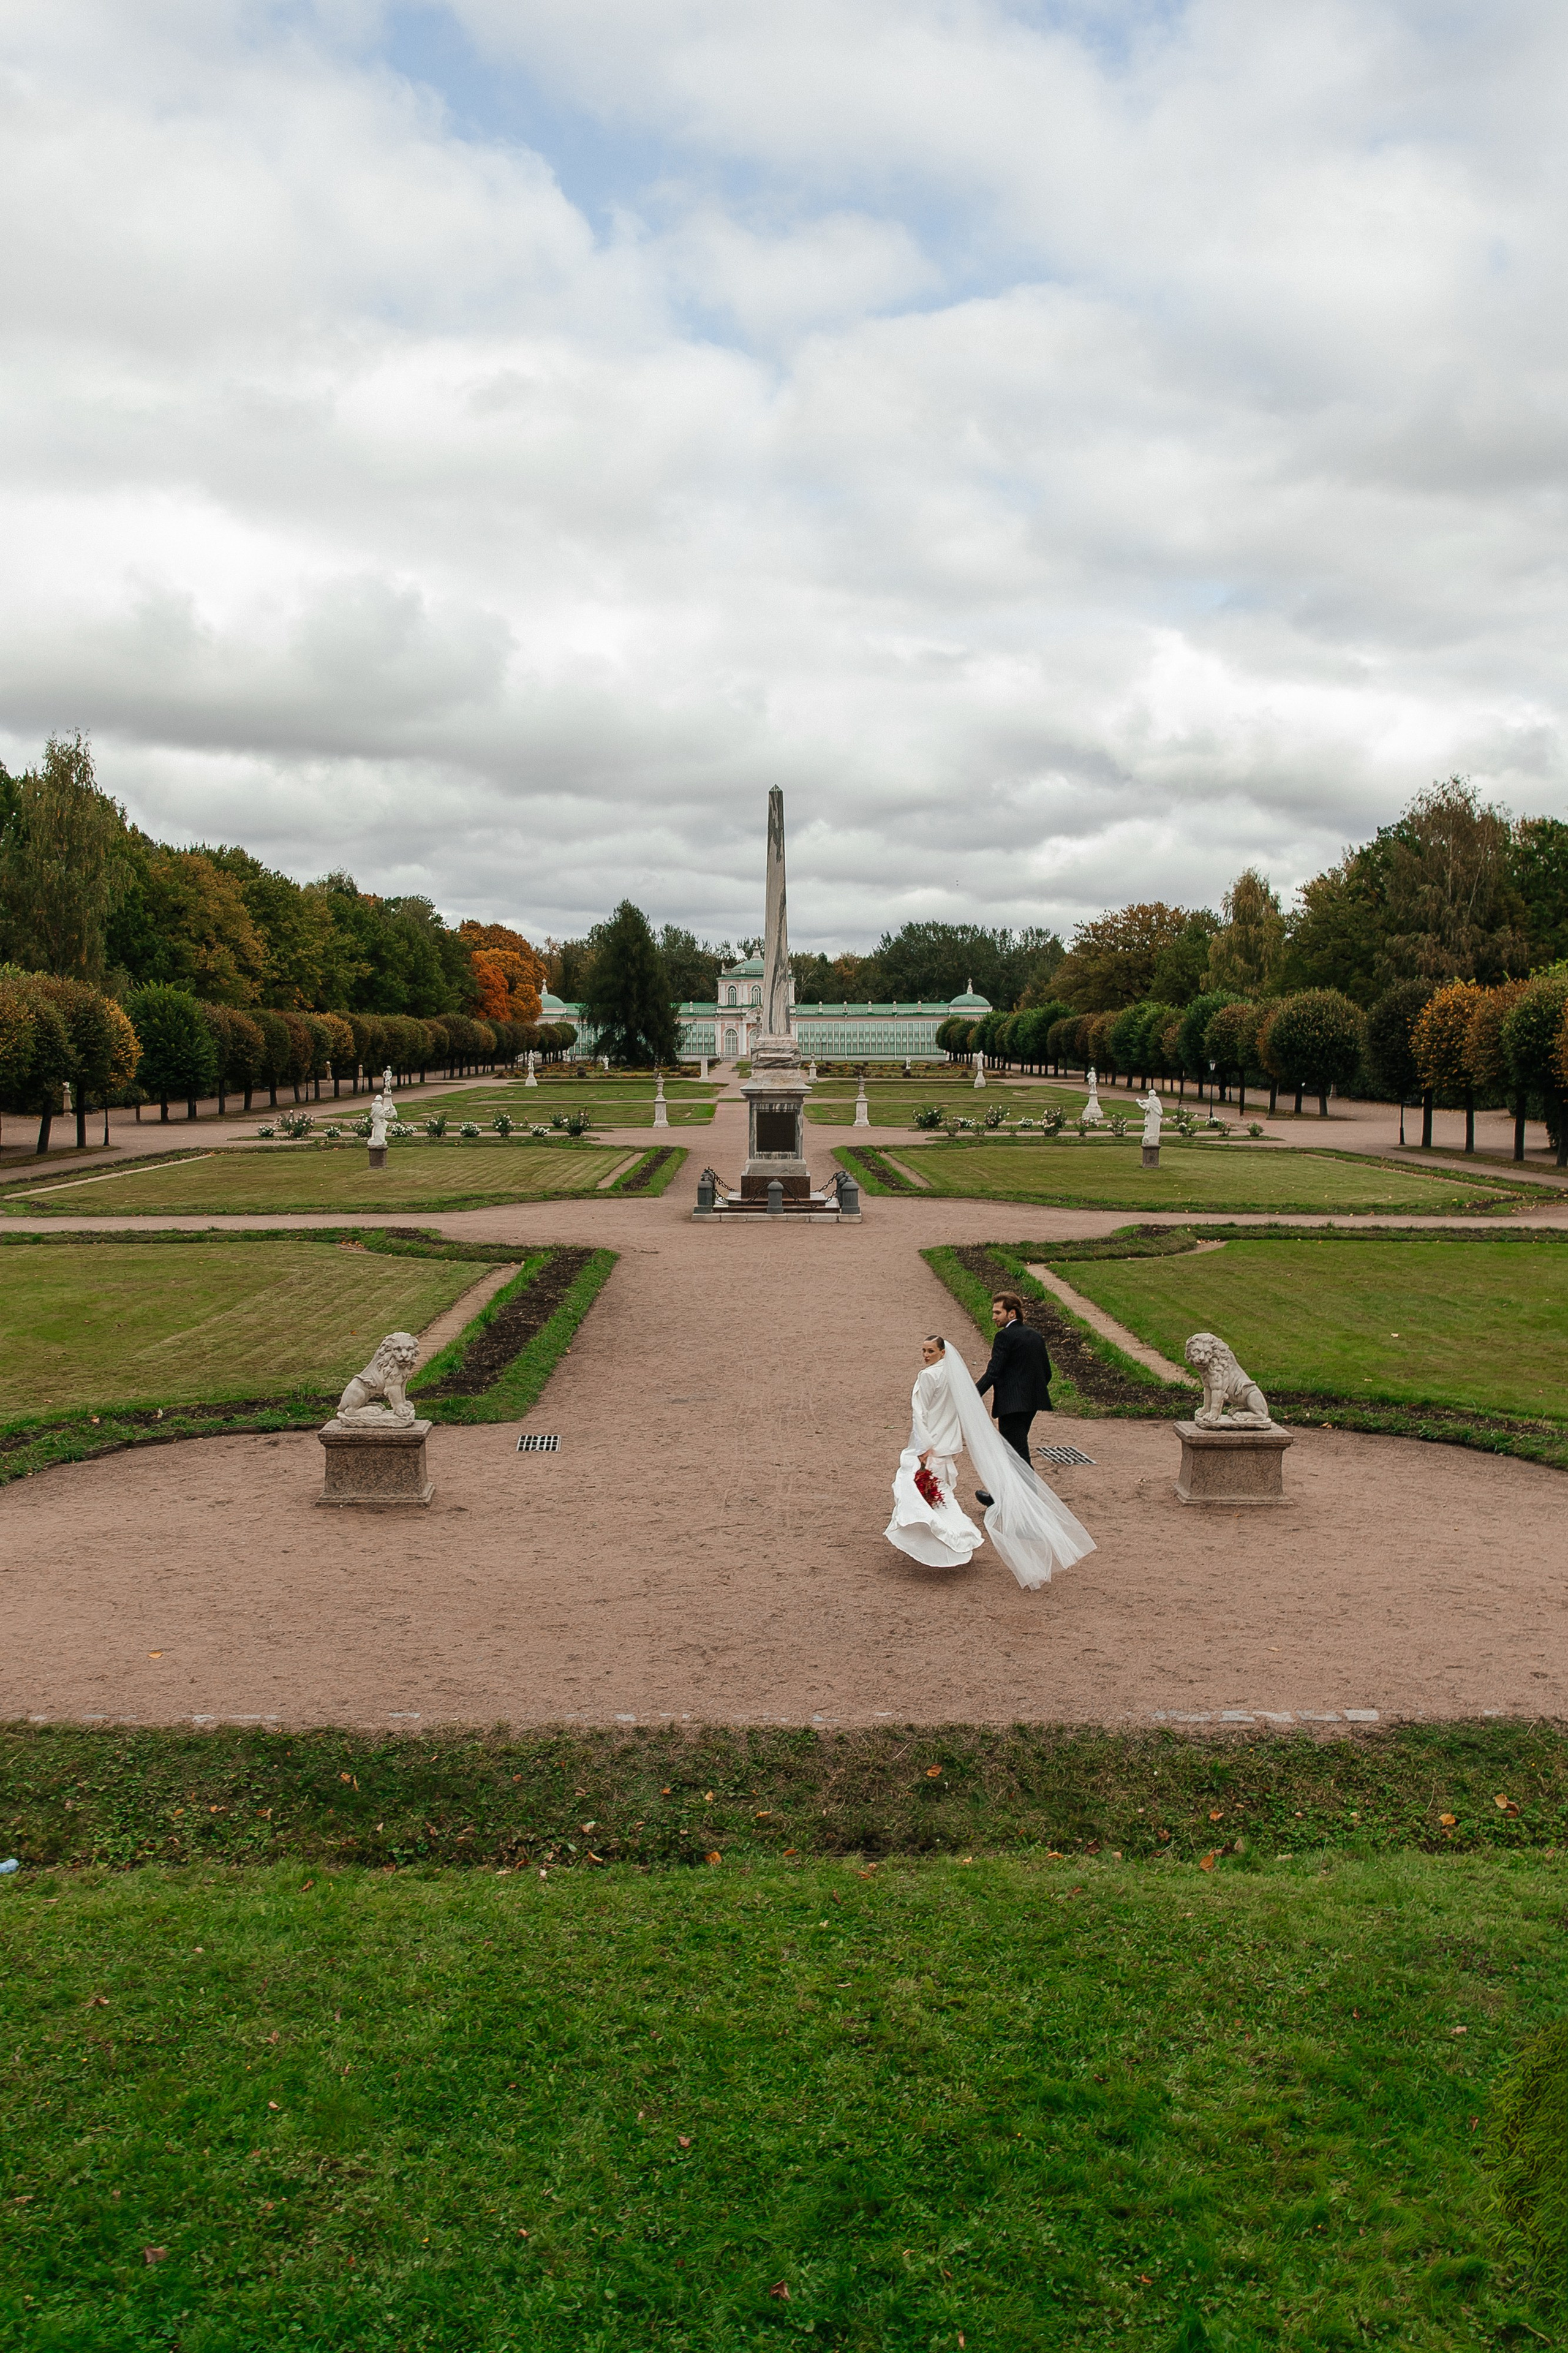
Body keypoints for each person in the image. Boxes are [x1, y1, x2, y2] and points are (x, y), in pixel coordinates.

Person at [884, 1333, 1093, 1592]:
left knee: (920, 1492)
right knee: (939, 1495)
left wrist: (924, 1446)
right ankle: (948, 1537)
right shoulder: (954, 1377)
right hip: (947, 1445)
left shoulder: (927, 1377)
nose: (926, 1355)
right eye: (924, 1351)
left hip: (931, 1447)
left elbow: (920, 1413)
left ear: (942, 1352)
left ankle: (942, 1541)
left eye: (930, 1351)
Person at [973, 1291, 1052, 1503]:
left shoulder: (1004, 1337)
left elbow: (993, 1371)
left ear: (1012, 1313)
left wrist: (972, 1394)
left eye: (997, 1312)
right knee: (1012, 1451)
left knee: (1018, 1455)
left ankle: (1029, 1508)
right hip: (1031, 1404)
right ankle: (1000, 1495)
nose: (993, 1317)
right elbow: (1047, 1373)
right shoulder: (1035, 1336)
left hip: (1011, 1405)